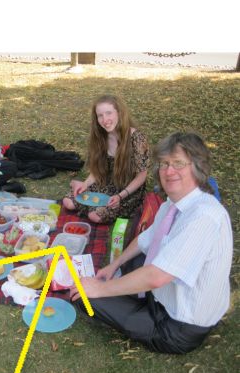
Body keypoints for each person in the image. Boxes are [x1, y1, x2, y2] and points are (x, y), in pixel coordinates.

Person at [70, 132, 233, 354]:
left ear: (198, 168)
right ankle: (127, 290)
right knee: (130, 259)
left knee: (83, 297)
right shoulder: (173, 203)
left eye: (178, 163)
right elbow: (146, 239)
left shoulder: (203, 216)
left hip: (178, 325)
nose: (168, 171)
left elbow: (157, 277)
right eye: (164, 163)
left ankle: (128, 300)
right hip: (166, 293)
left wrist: (101, 288)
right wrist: (113, 265)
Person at [63, 94, 149, 224]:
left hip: (126, 189)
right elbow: (98, 170)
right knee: (68, 202)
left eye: (109, 113)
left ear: (119, 113)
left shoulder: (136, 138)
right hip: (104, 182)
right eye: (100, 115)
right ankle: (87, 196)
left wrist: (121, 196)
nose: (105, 120)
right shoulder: (100, 136)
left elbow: (142, 176)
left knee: (95, 216)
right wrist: (85, 184)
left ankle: (94, 207)